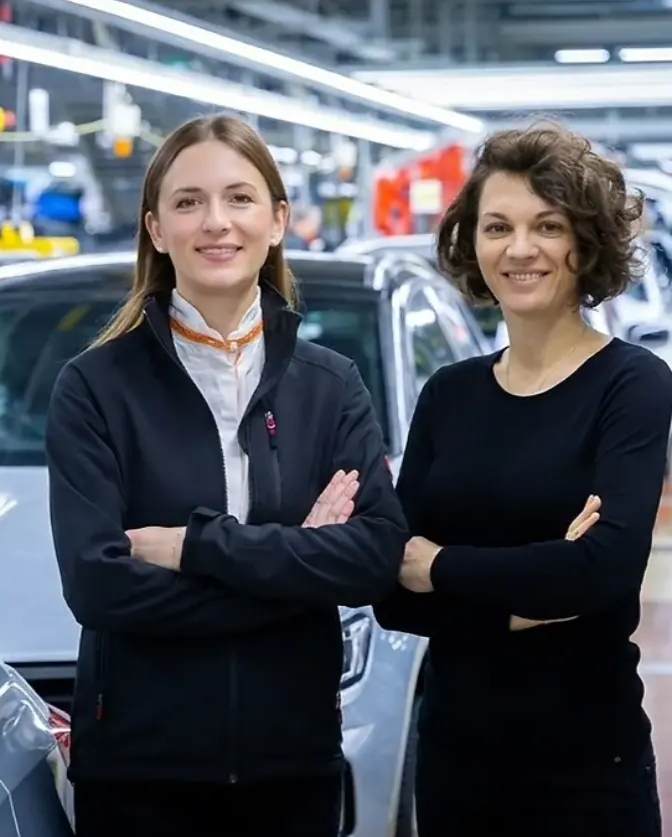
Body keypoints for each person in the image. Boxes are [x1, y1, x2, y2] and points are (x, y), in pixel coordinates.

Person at [44, 113, 407, 837]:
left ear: (276, 220)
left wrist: (194, 547)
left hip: (291, 763)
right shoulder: (93, 387)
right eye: (188, 202)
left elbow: (372, 559)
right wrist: (296, 570)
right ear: (154, 228)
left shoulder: (329, 385)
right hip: (141, 773)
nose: (216, 222)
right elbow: (99, 584)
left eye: (239, 198)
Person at [373, 124, 672, 836]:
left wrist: (440, 564)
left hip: (586, 762)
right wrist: (528, 595)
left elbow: (600, 573)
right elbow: (389, 593)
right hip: (455, 759)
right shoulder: (448, 393)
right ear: (471, 243)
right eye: (497, 226)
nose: (519, 248)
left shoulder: (629, 383)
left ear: (586, 242)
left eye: (546, 226)